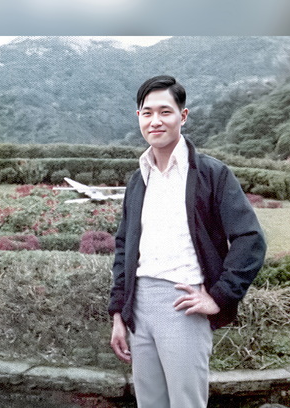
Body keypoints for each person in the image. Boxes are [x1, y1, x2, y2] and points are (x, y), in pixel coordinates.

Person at [108, 75, 267, 408]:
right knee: (150, 402)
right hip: (139, 304)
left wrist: (220, 296)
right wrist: (119, 312)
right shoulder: (139, 179)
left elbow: (250, 238)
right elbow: (124, 248)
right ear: (139, 117)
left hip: (183, 304)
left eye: (165, 111)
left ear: (183, 116)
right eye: (147, 113)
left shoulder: (211, 174)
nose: (155, 120)